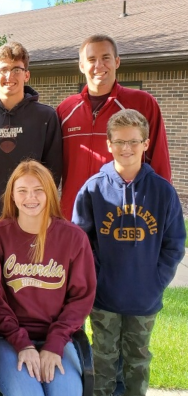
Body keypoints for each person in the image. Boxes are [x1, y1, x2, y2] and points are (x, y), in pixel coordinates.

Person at [72, 109, 185, 396]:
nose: (127, 148)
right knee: (104, 363)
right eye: (120, 142)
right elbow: (80, 243)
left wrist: (156, 281)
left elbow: (174, 243)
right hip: (104, 298)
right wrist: (96, 278)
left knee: (138, 364)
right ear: (108, 144)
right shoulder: (94, 190)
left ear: (146, 144)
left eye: (134, 141)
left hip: (144, 299)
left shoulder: (162, 191)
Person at [0, 159, 95, 396]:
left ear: (50, 194)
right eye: (22, 190)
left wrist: (55, 344)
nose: (30, 198)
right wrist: (22, 343)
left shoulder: (73, 238)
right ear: (12, 196)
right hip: (7, 339)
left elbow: (81, 298)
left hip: (59, 339)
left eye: (38, 190)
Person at [57, 34, 171, 220]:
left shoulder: (142, 103)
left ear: (117, 61)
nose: (99, 65)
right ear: (81, 66)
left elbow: (159, 162)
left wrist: (161, 210)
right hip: (73, 215)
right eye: (92, 59)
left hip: (123, 216)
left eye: (106, 58)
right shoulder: (65, 110)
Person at [0, 42, 62, 232]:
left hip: (31, 218)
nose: (9, 76)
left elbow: (53, 171)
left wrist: (39, 209)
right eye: (3, 69)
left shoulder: (45, 117)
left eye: (16, 69)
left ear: (27, 74)